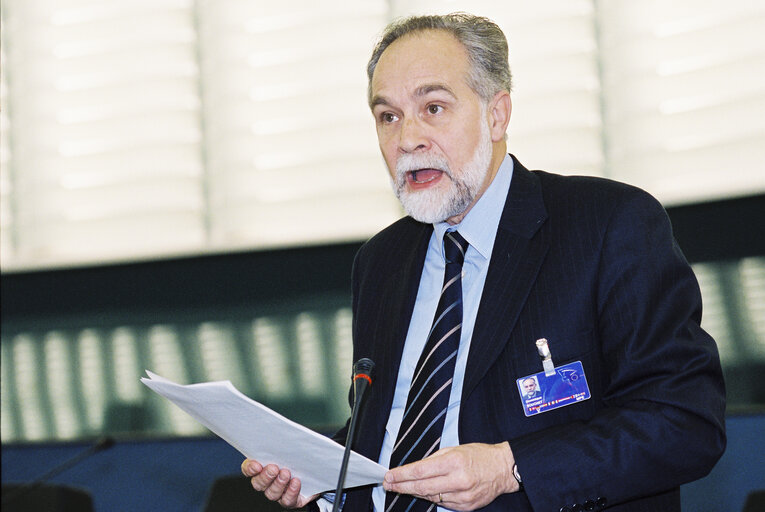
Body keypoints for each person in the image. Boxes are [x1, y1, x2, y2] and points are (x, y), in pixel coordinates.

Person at [242, 13, 726, 512]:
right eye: (388, 116)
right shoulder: (380, 262)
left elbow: (684, 423)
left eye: (433, 107)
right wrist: (318, 480)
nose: (407, 139)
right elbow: (389, 434)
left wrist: (512, 467)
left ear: (497, 115)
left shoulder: (606, 224)